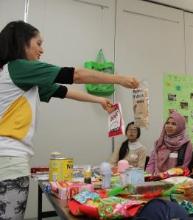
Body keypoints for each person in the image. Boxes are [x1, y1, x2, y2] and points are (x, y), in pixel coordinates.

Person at [0, 20, 139, 219]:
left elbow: (63, 91)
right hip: (9, 162)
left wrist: (99, 99)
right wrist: (120, 79)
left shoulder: (15, 75)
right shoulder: (19, 68)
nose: (42, 50)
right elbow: (76, 75)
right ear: (22, 42)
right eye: (38, 43)